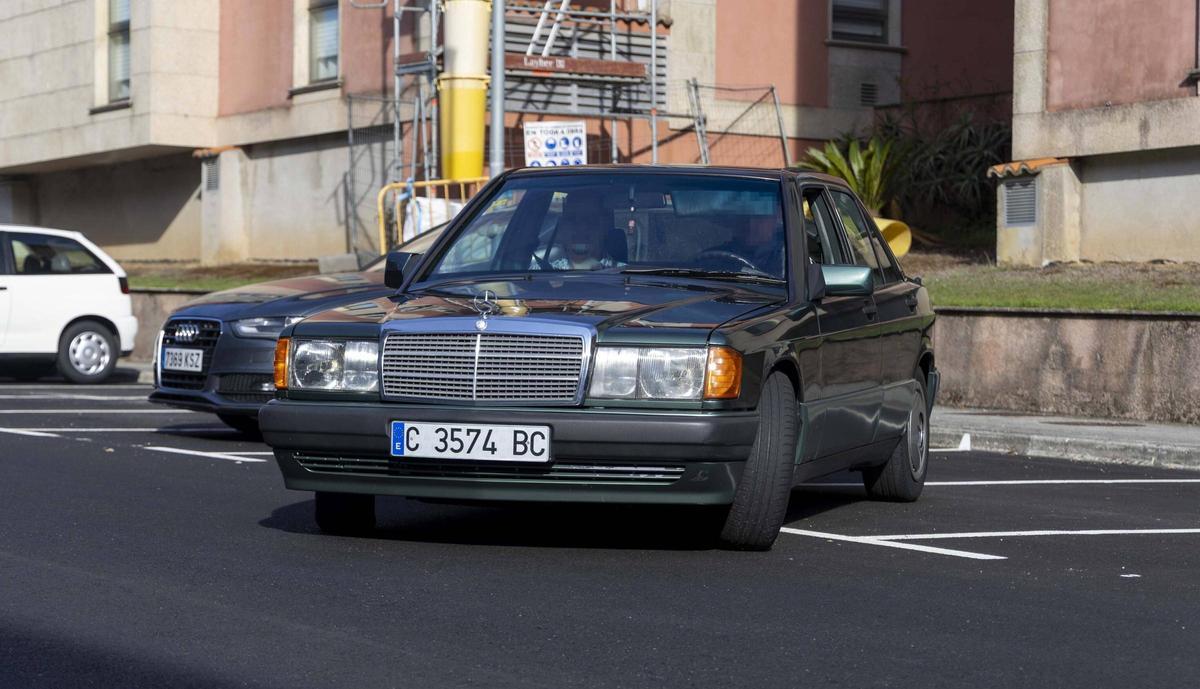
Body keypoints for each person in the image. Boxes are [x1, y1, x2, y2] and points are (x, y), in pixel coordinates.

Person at [540, 192, 626, 271]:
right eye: (572, 219)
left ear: (604, 229)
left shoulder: (623, 273)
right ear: (562, 228)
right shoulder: (539, 273)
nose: (581, 229)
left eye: (591, 220)